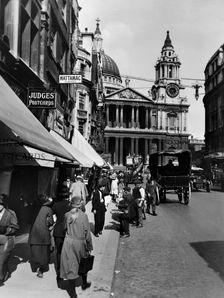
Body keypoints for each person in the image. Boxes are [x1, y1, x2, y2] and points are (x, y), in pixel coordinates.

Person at [60, 196, 93, 298]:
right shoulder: (84, 216)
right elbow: (87, 233)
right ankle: (84, 283)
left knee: (71, 266)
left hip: (69, 242)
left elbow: (63, 228)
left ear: (71, 204)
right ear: (79, 204)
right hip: (80, 242)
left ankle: (73, 294)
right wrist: (89, 245)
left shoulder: (66, 215)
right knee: (83, 262)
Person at [28, 194, 54, 278]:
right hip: (43, 234)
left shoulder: (32, 209)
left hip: (34, 233)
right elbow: (50, 222)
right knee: (43, 253)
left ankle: (35, 266)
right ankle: (41, 269)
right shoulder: (48, 209)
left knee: (35, 251)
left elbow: (28, 220)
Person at [52, 183, 71, 281]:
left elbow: (52, 216)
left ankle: (59, 273)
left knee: (59, 252)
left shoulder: (56, 205)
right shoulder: (70, 206)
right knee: (67, 253)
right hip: (68, 232)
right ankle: (66, 271)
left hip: (58, 231)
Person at [0, 194, 19, 286]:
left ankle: (0, 278)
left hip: (6, 239)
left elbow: (16, 227)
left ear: (4, 205)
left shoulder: (11, 213)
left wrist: (6, 229)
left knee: (1, 260)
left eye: (0, 204)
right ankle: (5, 270)